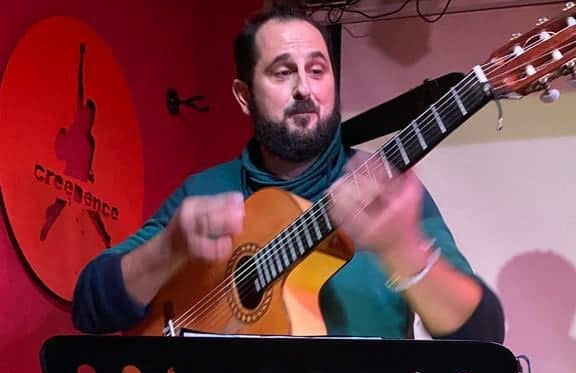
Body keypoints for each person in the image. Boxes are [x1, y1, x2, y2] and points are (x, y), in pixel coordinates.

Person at [71, 6, 504, 343]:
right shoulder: (206, 190)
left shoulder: (383, 190)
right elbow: (90, 307)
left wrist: (404, 250)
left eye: (317, 70)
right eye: (283, 72)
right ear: (244, 96)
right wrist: (169, 248)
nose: (304, 89)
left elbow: (482, 340)